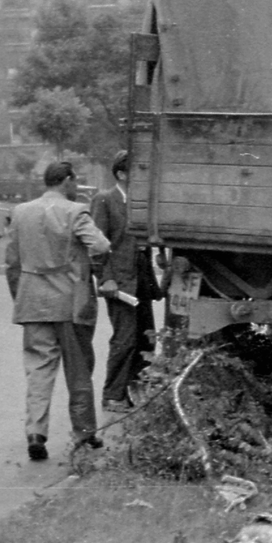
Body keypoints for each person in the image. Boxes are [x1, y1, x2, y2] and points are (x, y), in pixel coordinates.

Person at [7, 159, 110, 460]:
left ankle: (35, 432)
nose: (76, 187)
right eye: (74, 181)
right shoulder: (75, 211)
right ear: (66, 181)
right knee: (78, 370)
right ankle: (84, 432)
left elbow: (12, 262)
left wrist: (20, 295)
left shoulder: (20, 212)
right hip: (69, 301)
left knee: (38, 369)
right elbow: (100, 245)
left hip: (32, 301)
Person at [93, 150, 158, 411]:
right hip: (120, 283)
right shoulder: (105, 200)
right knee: (125, 339)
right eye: (138, 170)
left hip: (141, 280)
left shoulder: (142, 202)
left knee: (147, 338)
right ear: (121, 174)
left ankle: (137, 394)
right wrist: (106, 278)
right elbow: (97, 245)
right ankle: (113, 395)